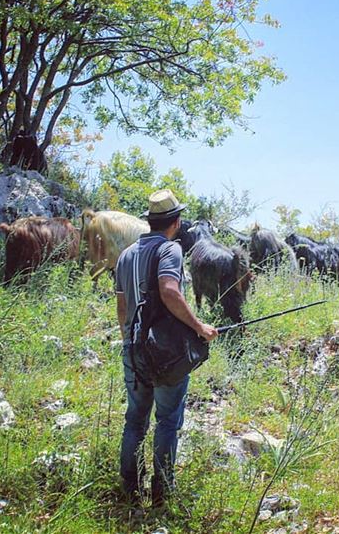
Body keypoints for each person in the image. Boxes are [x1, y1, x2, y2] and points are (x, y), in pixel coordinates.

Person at [114, 189, 218, 506]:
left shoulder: (125, 254)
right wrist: (199, 327)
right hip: (162, 353)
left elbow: (121, 306)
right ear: (176, 222)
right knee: (168, 420)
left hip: (132, 348)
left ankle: (130, 490)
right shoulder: (170, 250)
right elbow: (170, 291)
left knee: (135, 420)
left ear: (150, 221)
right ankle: (162, 491)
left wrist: (129, 341)